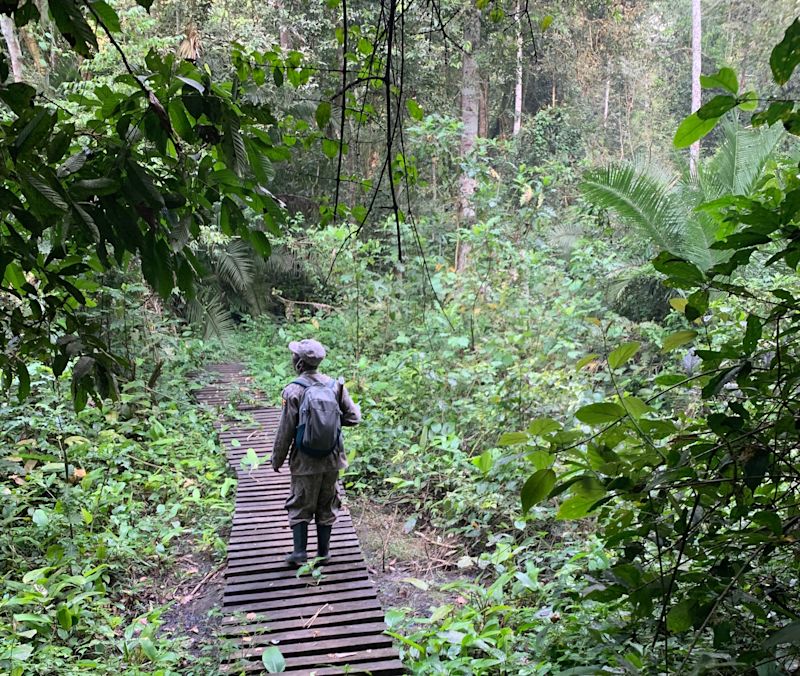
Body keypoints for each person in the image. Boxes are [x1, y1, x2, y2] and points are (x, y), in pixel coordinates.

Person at [271, 339, 361, 567]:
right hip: (332, 458)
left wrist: (277, 458)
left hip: (304, 461)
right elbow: (353, 418)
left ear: (300, 363)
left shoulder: (293, 390)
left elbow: (286, 429)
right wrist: (329, 421)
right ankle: (323, 553)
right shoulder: (336, 386)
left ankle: (300, 553)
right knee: (327, 502)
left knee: (300, 501)